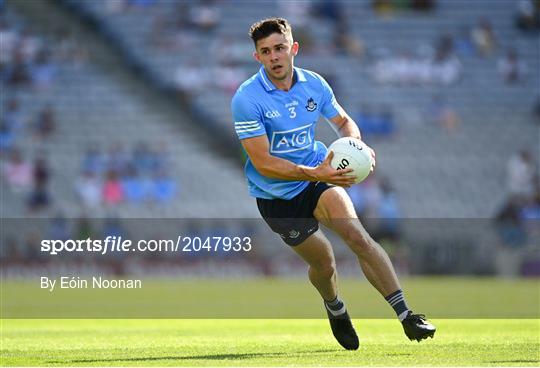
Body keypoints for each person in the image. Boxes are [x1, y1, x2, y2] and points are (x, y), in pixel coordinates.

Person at [231, 18, 435, 350]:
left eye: (279, 48)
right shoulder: (246, 99)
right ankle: (335, 305)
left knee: (358, 237)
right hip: (276, 197)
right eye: (265, 52)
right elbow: (263, 163)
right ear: (257, 57)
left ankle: (406, 314)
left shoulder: (314, 84)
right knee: (324, 264)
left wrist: (357, 145)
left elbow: (344, 122)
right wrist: (318, 174)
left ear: (293, 49)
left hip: (317, 176)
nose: (274, 57)